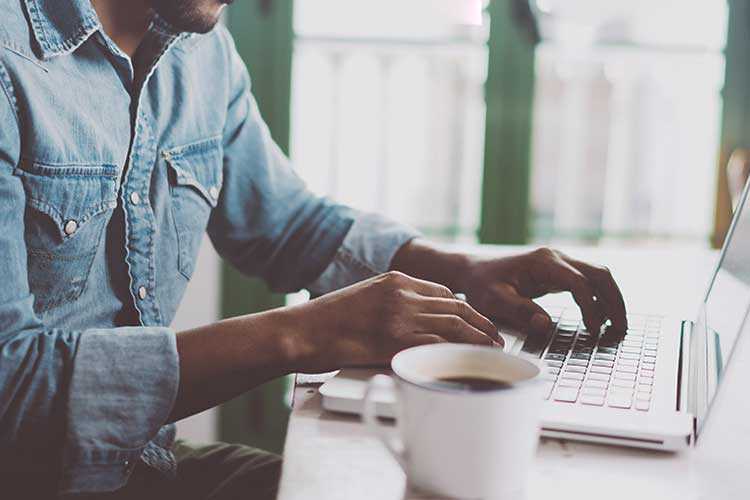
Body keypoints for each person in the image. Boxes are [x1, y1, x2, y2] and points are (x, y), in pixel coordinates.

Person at [0, 0, 627, 498]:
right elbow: (10, 391)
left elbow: (286, 225)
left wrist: (463, 272)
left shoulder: (202, 50)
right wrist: (302, 334)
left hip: (140, 468)